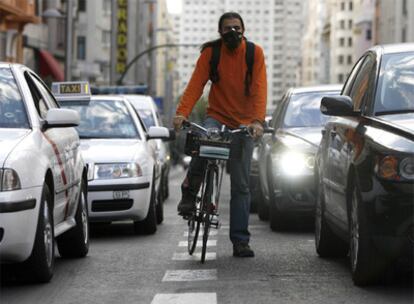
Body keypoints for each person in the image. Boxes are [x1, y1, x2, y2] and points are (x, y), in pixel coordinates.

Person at [173, 12, 267, 258]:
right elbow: (195, 85)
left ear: (243, 30)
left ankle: (240, 241)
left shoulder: (254, 54)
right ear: (220, 32)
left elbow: (259, 88)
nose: (233, 32)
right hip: (218, 116)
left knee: (241, 186)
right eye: (227, 29)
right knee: (203, 146)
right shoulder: (211, 54)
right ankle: (190, 192)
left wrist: (257, 121)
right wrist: (181, 114)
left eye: (237, 28)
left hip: (244, 124)